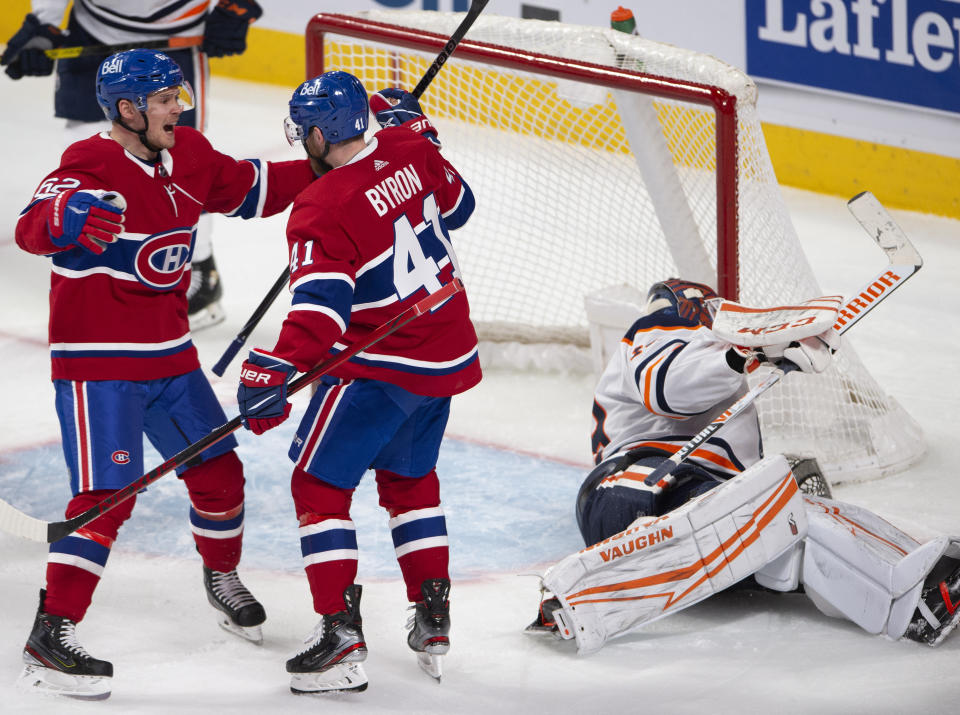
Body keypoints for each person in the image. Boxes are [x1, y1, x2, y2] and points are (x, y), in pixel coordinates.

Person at [13, 48, 318, 700]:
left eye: (178, 96)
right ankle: (51, 633)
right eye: (164, 100)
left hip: (171, 357)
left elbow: (255, 185)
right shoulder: (88, 166)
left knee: (220, 473)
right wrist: (61, 220)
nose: (179, 107)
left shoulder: (193, 156)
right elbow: (30, 225)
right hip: (100, 365)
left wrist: (333, 161)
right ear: (127, 109)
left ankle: (221, 576)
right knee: (106, 499)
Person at [528, 278, 960, 654]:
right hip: (634, 484)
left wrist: (759, 356)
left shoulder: (727, 378)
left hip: (691, 508)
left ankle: (923, 572)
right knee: (771, 510)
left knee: (791, 521)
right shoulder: (654, 331)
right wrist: (741, 354)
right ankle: (914, 598)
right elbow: (666, 389)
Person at [233, 71, 478, 694]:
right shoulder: (410, 148)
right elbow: (462, 207)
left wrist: (278, 366)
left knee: (316, 485)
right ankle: (433, 616)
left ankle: (338, 636)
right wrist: (421, 138)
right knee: (410, 478)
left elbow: (320, 311)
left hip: (382, 364)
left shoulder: (320, 205)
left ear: (318, 134)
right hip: (445, 352)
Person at [1, 0, 264, 330]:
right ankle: (114, 273)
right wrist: (45, 23)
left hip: (175, 36)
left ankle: (197, 270)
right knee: (93, 153)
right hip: (95, 30)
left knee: (175, 162)